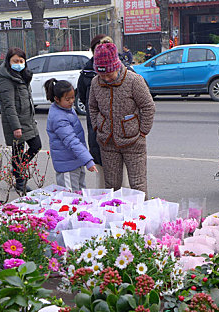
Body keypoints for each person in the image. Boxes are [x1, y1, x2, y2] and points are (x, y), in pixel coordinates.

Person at [89, 43, 155, 195]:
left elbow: (148, 106)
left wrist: (143, 132)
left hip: (134, 140)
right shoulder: (95, 83)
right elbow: (92, 107)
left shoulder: (134, 81)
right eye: (101, 74)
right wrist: (97, 127)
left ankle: (141, 216)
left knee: (138, 184)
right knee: (111, 184)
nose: (105, 78)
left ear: (116, 67)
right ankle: (114, 215)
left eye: (109, 74)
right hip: (107, 141)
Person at [0, 47, 41, 193]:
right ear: (8, 62)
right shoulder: (6, 79)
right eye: (15, 61)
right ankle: (19, 182)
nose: (19, 63)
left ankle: (17, 170)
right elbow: (8, 105)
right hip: (16, 123)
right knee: (18, 151)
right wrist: (16, 127)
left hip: (27, 120)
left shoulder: (23, 75)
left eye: (21, 61)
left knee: (36, 145)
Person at [44, 78, 98, 191]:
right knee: (70, 198)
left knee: (80, 194)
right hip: (67, 166)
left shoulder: (67, 110)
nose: (71, 101)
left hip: (76, 160)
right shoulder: (59, 117)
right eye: (67, 99)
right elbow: (72, 140)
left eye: (73, 97)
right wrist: (88, 160)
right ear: (56, 99)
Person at [77, 34, 113, 187]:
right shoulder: (87, 74)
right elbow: (84, 99)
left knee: (122, 181)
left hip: (122, 136)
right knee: (102, 179)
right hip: (97, 131)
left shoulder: (125, 72)